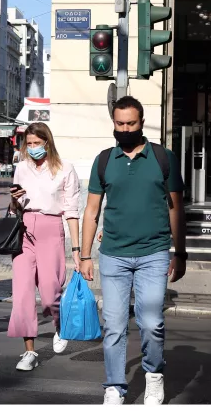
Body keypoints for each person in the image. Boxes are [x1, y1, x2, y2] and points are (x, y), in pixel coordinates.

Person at [79, 96, 187, 405]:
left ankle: (153, 375)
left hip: (154, 253)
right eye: (119, 124)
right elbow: (91, 211)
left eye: (131, 123)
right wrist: (85, 255)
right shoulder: (104, 160)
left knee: (152, 322)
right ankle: (114, 386)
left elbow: (176, 209)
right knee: (113, 326)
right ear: (113, 123)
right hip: (113, 255)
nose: (125, 129)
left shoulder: (163, 158)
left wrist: (180, 253)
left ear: (142, 122)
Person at [9, 122, 81, 371]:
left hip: (51, 229)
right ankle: (29, 352)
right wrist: (15, 201)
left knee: (51, 293)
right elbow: (14, 206)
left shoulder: (65, 169)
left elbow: (72, 211)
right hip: (25, 229)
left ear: (47, 143)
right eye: (28, 144)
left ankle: (60, 326)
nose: (32, 148)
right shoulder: (21, 168)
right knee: (22, 294)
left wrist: (78, 251)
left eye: (36, 144)